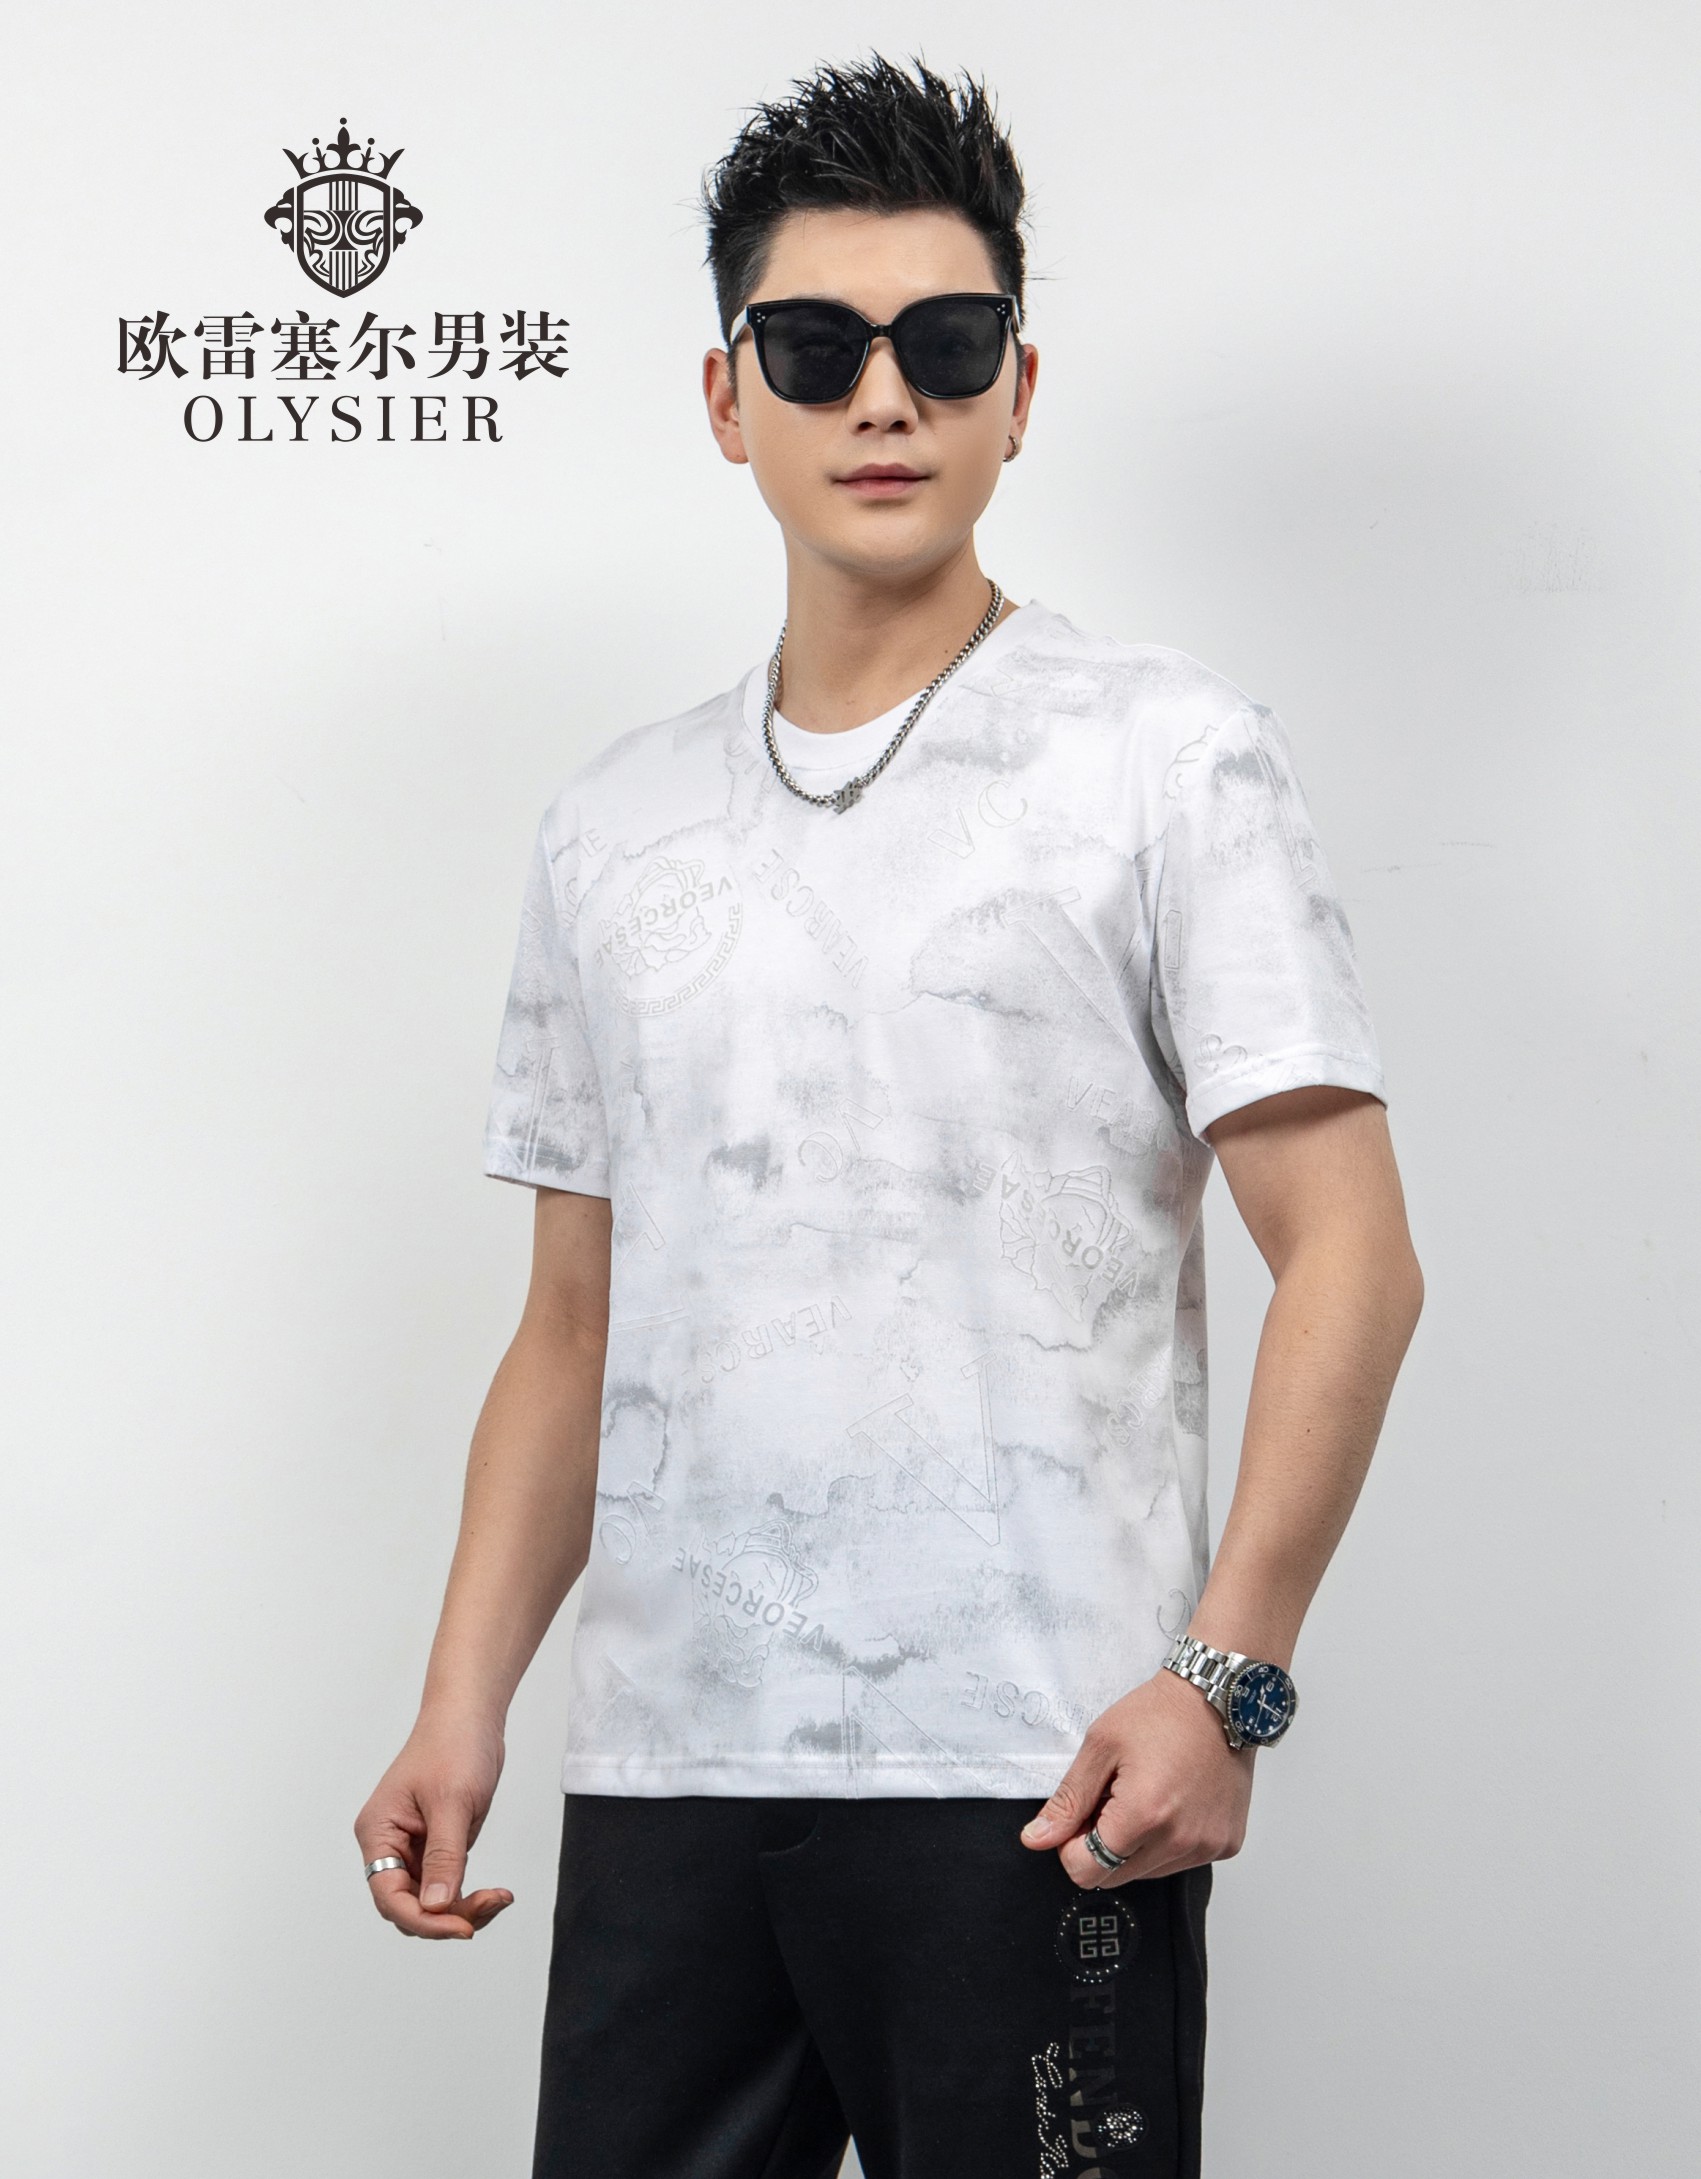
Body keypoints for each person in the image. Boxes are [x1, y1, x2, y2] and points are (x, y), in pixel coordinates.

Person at [353, 51, 1424, 2179]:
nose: (881, 399)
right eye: (813, 347)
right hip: (667, 1776)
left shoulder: (1163, 758)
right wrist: (462, 1700)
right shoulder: (609, 827)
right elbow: (573, 1326)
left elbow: (1353, 1256)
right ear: (723, 394)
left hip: (1035, 1775)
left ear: (1016, 390)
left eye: (941, 344)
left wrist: (1225, 1679)